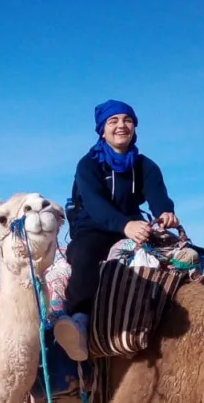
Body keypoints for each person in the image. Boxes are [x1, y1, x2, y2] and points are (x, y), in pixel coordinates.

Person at [53, 99, 179, 362]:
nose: (121, 125)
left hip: (134, 226)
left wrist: (165, 213)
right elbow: (96, 205)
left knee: (191, 255)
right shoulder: (88, 165)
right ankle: (80, 323)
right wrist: (125, 225)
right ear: (102, 130)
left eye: (127, 120)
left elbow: (158, 195)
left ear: (134, 127)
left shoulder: (145, 166)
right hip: (94, 227)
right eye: (114, 121)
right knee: (85, 255)